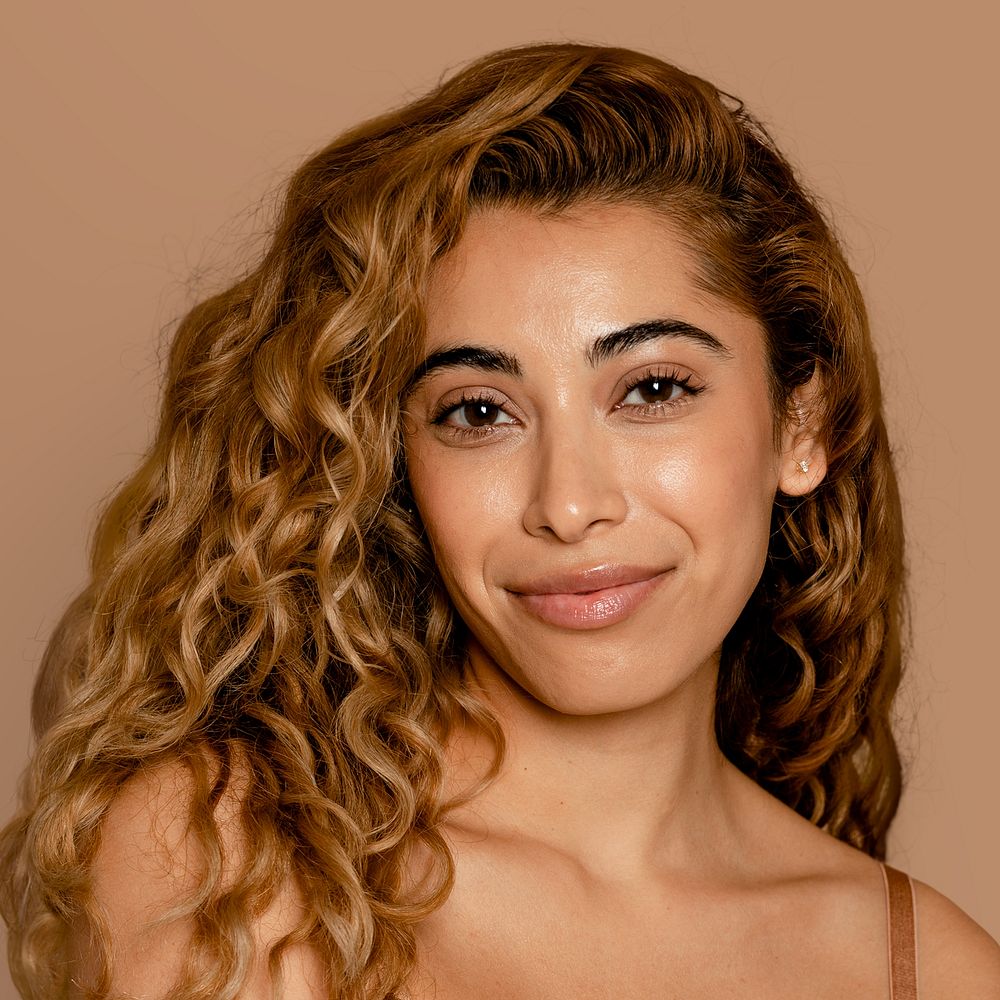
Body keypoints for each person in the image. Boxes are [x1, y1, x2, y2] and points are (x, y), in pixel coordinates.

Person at [1, 42, 997, 1000]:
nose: (568, 505)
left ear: (799, 423)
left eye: (652, 388)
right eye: (478, 411)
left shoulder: (933, 971)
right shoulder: (233, 861)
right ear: (397, 460)